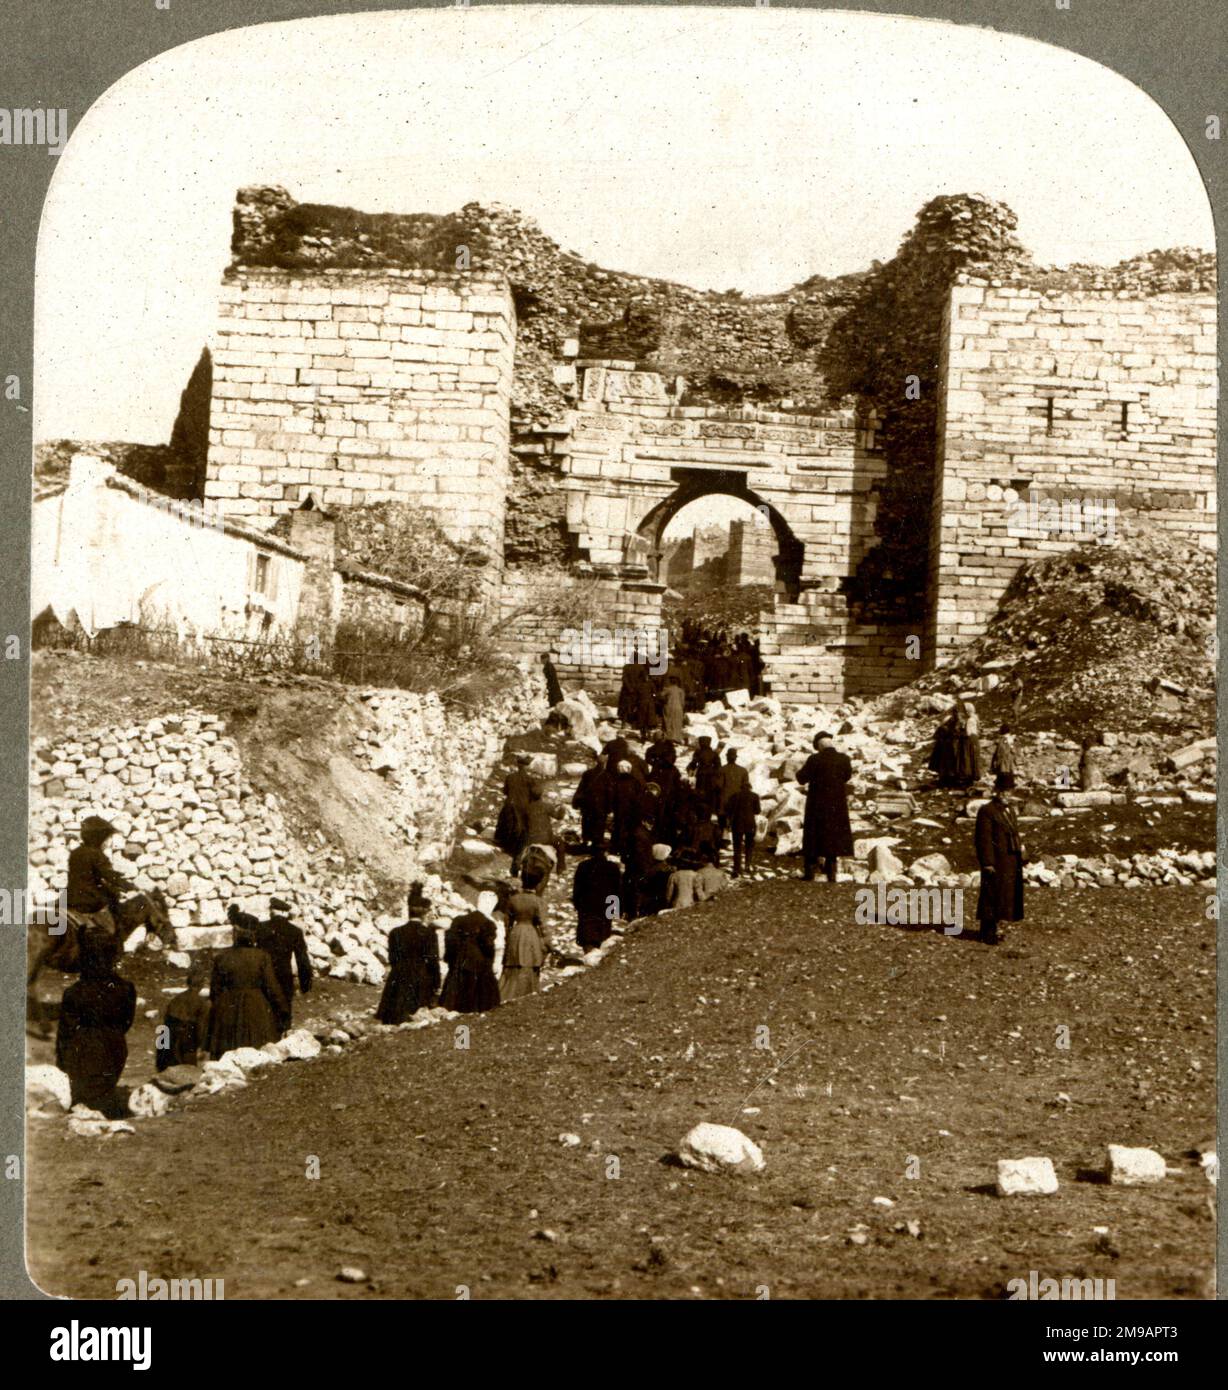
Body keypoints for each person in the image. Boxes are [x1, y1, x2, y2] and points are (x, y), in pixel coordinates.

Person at [56, 933, 136, 1114]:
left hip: (84, 1048)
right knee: (105, 1090)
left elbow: (65, 1032)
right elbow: (126, 1022)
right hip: (114, 1045)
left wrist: (62, 1061)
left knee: (86, 1095)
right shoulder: (126, 988)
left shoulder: (73, 992)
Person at [205, 912, 287, 1056]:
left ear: (236, 934)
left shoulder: (222, 957)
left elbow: (214, 991)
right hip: (256, 1009)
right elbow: (272, 987)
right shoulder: (261, 957)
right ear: (253, 936)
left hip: (227, 1010)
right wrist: (282, 1008)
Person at [375, 887, 441, 1024]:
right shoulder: (429, 933)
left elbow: (392, 959)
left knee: (393, 1019)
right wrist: (436, 982)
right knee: (416, 1020)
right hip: (420, 980)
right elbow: (433, 961)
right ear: (424, 914)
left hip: (398, 979)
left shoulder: (395, 932)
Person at [975, 772, 1026, 946]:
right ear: (996, 791)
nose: (1007, 794)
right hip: (996, 861)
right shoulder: (986, 811)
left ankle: (996, 929)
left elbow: (1014, 833)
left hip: (1010, 860)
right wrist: (987, 862)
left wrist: (1021, 852)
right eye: (1004, 791)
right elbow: (983, 839)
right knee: (991, 895)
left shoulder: (1010, 811)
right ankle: (987, 933)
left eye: (1010, 791)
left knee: (1005, 896)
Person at [797, 732, 853, 882]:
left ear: (819, 745)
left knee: (813, 835)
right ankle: (832, 872)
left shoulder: (814, 759)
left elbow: (801, 778)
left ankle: (809, 873)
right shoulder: (844, 759)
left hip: (817, 804)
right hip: (837, 804)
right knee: (833, 836)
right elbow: (847, 776)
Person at [255, 896, 313, 1035]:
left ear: (272, 911)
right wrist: (305, 983)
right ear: (285, 913)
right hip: (283, 974)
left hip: (263, 974)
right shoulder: (294, 931)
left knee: (265, 1007)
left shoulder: (261, 928)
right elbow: (302, 959)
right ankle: (283, 1035)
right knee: (284, 1006)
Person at [440, 896, 500, 1013]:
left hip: (460, 961)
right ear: (491, 906)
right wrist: (491, 962)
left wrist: (451, 960)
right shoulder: (488, 924)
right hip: (479, 964)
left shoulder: (459, 920)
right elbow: (488, 947)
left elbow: (450, 942)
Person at [156, 956, 211, 1072]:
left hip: (169, 1036)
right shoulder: (202, 1003)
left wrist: (160, 1050)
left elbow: (164, 1025)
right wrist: (201, 1047)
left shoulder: (176, 999)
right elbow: (200, 1027)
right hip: (187, 1038)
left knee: (168, 1069)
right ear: (201, 985)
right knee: (187, 1070)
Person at [499, 881, 550, 1002]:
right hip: (531, 933)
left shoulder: (513, 899)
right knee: (530, 963)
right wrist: (549, 944)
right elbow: (543, 925)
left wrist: (508, 938)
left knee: (513, 965)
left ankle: (506, 995)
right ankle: (527, 994)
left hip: (516, 934)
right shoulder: (538, 901)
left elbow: (507, 923)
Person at [572, 843, 622, 950]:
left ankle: (589, 956)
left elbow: (577, 888)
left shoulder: (583, 866)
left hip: (587, 905)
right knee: (604, 934)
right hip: (606, 905)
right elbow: (616, 889)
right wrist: (614, 910)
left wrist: (577, 904)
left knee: (587, 935)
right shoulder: (613, 867)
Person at [494, 753, 535, 862]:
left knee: (505, 821)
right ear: (527, 766)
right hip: (523, 805)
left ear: (518, 765)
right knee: (523, 825)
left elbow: (505, 791)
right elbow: (534, 795)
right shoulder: (530, 780)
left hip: (510, 803)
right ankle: (517, 849)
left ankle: (503, 842)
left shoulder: (510, 777)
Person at [572, 751, 612, 850]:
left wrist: (576, 802)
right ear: (605, 763)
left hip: (587, 804)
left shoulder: (588, 773)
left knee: (586, 822)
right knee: (599, 824)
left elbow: (581, 788)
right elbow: (609, 793)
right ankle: (596, 844)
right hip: (600, 805)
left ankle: (586, 841)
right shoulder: (607, 775)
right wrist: (610, 807)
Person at [727, 784, 761, 878]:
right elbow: (758, 811)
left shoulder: (734, 796)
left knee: (737, 846)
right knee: (749, 845)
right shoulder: (755, 796)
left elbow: (729, 810)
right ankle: (747, 866)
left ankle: (737, 867)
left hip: (737, 823)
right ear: (750, 787)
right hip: (750, 823)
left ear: (741, 787)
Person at [718, 748, 750, 843]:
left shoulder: (722, 769)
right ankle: (736, 838)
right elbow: (746, 786)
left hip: (725, 798)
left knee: (723, 819)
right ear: (736, 758)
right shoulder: (743, 770)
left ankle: (724, 837)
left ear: (727, 757)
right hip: (738, 799)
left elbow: (719, 786)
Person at [688, 736, 722, 816]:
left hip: (701, 774)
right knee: (710, 793)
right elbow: (718, 766)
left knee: (700, 791)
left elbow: (693, 763)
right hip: (711, 775)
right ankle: (710, 810)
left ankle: (699, 810)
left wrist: (690, 769)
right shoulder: (714, 754)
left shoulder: (698, 752)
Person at [662, 676, 686, 743]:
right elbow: (683, 702)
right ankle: (677, 737)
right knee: (677, 723)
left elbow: (661, 696)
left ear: (670, 682)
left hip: (669, 707)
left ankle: (669, 737)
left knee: (669, 722)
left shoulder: (667, 689)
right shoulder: (681, 690)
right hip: (679, 708)